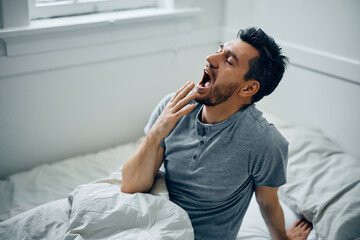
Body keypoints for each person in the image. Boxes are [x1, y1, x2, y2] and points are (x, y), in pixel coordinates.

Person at [121, 27, 312, 240]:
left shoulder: (265, 143)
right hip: (153, 224)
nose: (211, 58)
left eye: (229, 61)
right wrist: (156, 132)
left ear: (248, 89)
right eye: (220, 50)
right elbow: (130, 186)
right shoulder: (172, 108)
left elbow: (267, 201)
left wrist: (282, 239)